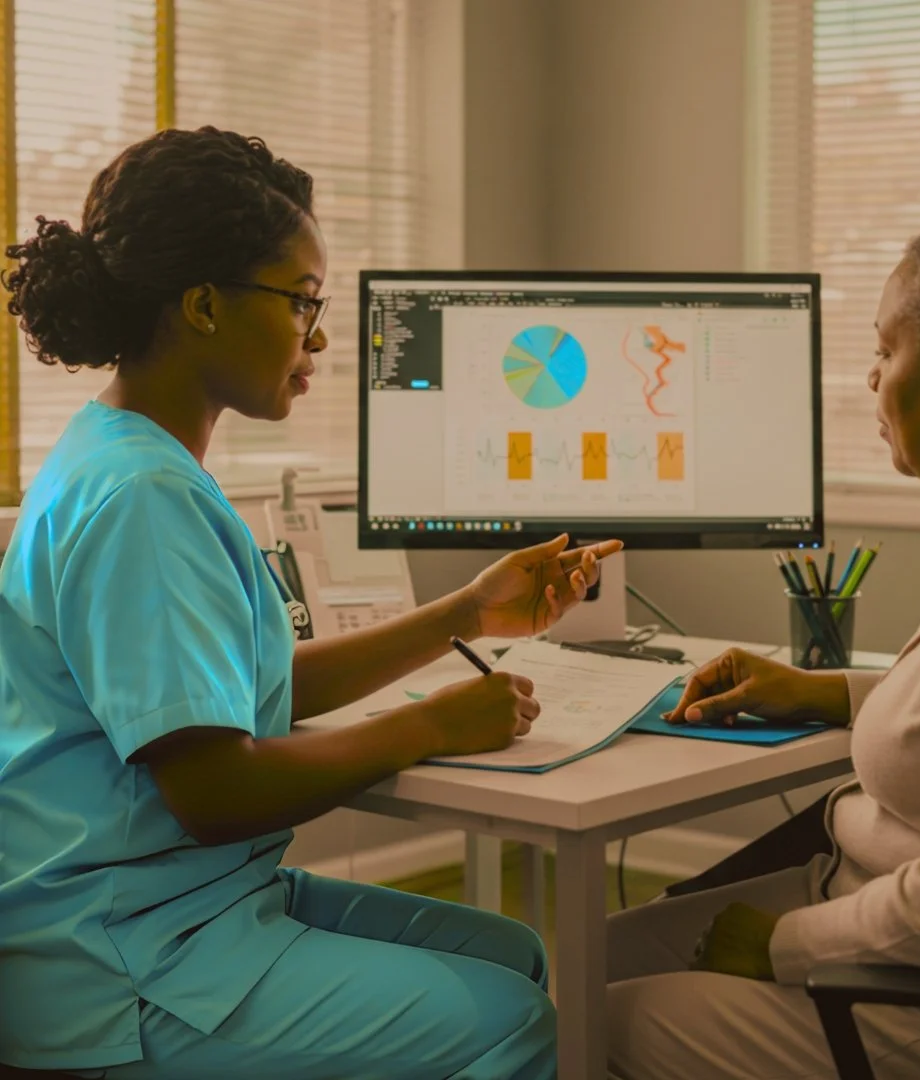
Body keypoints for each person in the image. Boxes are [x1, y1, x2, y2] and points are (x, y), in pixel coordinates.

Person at [0, 126, 621, 1079]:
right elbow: (214, 790)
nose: (321, 336)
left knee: (515, 953)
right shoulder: (143, 500)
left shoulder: (127, 457)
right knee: (510, 1019)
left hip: (182, 905)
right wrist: (432, 727)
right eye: (302, 302)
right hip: (122, 960)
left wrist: (466, 613)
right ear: (204, 305)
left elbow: (237, 696)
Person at [606, 207, 920, 1080]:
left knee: (597, 1023)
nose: (871, 379)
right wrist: (819, 690)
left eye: (887, 350)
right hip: (866, 902)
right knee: (585, 957)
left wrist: (782, 944)